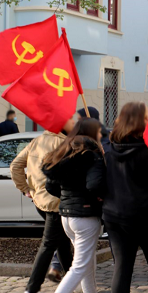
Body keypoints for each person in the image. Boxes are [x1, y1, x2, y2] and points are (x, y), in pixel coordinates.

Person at [103, 102, 148, 293]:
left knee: (122, 268)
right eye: (147, 116)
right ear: (142, 121)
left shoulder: (109, 150)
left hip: (116, 216)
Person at [10, 117, 75, 293]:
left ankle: (71, 278)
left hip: (40, 201)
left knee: (61, 242)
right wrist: (24, 187)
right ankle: (31, 288)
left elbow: (15, 165)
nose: (74, 122)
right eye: (70, 120)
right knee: (48, 244)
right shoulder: (65, 144)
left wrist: (26, 189)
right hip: (56, 202)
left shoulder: (37, 141)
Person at [42, 118, 107, 293]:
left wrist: (67, 197)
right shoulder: (91, 154)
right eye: (99, 131)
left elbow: (50, 185)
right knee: (79, 267)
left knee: (86, 262)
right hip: (85, 216)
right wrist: (100, 197)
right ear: (92, 132)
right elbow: (95, 185)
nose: (101, 134)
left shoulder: (64, 150)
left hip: (67, 216)